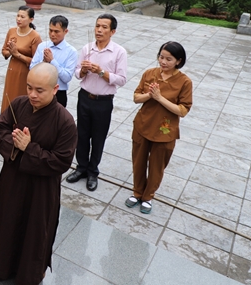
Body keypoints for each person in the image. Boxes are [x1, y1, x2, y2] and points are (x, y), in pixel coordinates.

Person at [0, 63, 78, 284]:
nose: (32, 95)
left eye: (39, 90)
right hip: (13, 179)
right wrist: (16, 145)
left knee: (35, 231)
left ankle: (30, 274)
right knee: (8, 221)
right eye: (29, 88)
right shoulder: (19, 104)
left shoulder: (64, 121)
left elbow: (61, 161)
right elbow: (1, 128)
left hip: (41, 190)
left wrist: (29, 148)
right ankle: (4, 266)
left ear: (55, 89)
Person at [126, 42, 192, 214]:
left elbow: (183, 110)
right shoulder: (150, 74)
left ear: (178, 61)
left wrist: (160, 98)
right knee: (138, 162)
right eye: (161, 57)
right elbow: (136, 97)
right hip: (143, 124)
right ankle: (137, 192)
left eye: (169, 59)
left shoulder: (184, 82)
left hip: (165, 131)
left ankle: (148, 196)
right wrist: (150, 95)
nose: (163, 62)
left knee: (157, 166)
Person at [65, 13, 127, 192]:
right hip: (85, 97)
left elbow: (121, 79)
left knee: (98, 137)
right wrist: (84, 70)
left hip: (103, 102)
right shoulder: (87, 48)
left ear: (112, 31)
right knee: (82, 134)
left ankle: (93, 172)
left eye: (104, 27)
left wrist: (101, 72)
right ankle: (81, 168)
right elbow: (77, 74)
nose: (99, 30)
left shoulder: (119, 52)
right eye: (97, 26)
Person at [29, 15, 78, 107]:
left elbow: (67, 77)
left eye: (56, 31)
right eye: (50, 30)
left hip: (58, 93)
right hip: (39, 90)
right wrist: (43, 62)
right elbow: (32, 68)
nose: (52, 34)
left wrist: (52, 61)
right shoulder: (42, 46)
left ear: (65, 31)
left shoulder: (71, 52)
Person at [0, 6, 41, 111]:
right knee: (8, 96)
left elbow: (36, 61)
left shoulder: (35, 37)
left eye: (22, 17)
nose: (18, 19)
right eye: (18, 16)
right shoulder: (11, 31)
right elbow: (4, 51)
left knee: (20, 99)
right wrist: (10, 51)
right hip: (12, 71)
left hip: (24, 73)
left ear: (31, 19)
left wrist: (17, 54)